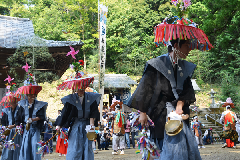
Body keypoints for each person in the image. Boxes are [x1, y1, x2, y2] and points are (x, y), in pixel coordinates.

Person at [56, 62, 101, 160]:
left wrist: (92, 126)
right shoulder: (71, 99)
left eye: (82, 86)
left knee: (87, 146)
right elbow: (65, 113)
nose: (81, 88)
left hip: (87, 125)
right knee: (75, 146)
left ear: (85, 85)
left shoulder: (91, 97)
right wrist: (59, 125)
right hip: (75, 125)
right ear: (75, 87)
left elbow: (93, 112)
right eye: (78, 87)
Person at [17, 80, 47, 160]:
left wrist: (33, 119)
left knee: (35, 144)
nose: (32, 97)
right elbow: (19, 117)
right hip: (26, 128)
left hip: (35, 128)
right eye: (30, 95)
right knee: (26, 145)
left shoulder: (40, 104)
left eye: (33, 95)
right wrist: (18, 126)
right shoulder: (22, 104)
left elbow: (41, 116)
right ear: (27, 95)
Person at [0, 91, 22, 160]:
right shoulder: (6, 111)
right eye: (11, 101)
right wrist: (5, 128)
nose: (13, 102)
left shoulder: (20, 109)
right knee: (8, 147)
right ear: (9, 102)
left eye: (14, 100)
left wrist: (14, 125)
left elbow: (21, 120)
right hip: (8, 131)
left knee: (17, 146)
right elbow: (3, 122)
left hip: (17, 131)